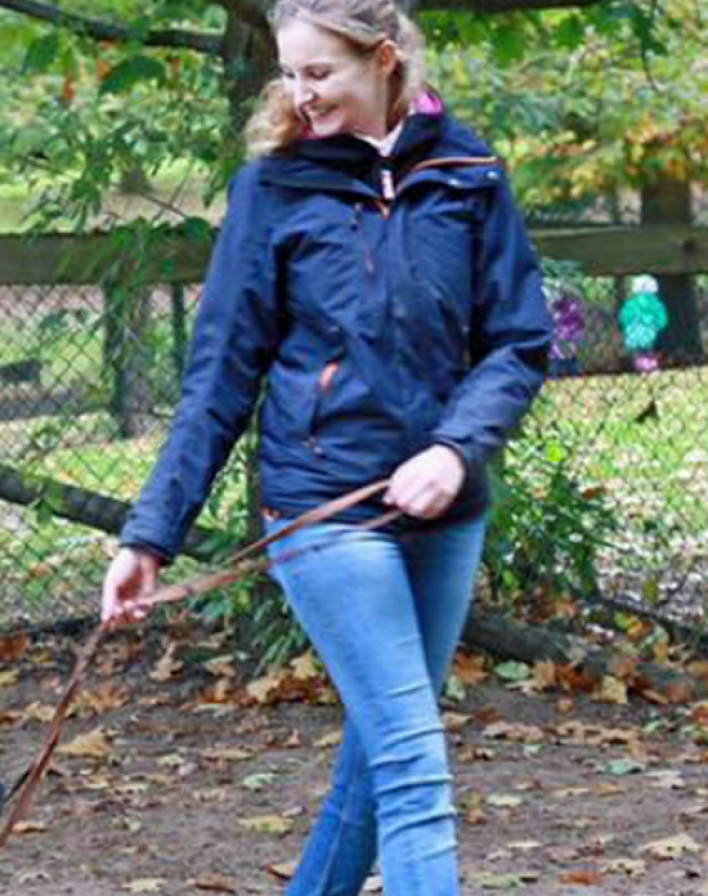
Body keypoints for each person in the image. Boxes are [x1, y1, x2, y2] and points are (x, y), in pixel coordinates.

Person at [99, 1, 551, 893]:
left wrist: (458, 449)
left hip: (445, 509)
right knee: (416, 768)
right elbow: (218, 381)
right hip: (323, 510)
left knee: (380, 760)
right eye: (290, 75)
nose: (300, 96)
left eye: (320, 73)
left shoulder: (469, 173)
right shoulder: (272, 191)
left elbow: (518, 340)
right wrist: (147, 537)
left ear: (384, 61)